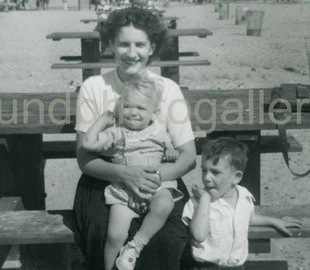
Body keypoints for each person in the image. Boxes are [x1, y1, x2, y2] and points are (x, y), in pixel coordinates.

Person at [73, 7, 196, 270]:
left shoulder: (168, 89)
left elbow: (188, 155)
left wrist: (150, 179)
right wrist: (126, 175)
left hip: (159, 177)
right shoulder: (95, 87)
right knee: (102, 231)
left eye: (140, 44)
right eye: (123, 44)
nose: (132, 53)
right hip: (104, 179)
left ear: (152, 47)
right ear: (110, 46)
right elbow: (84, 158)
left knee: (170, 236)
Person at [82, 78, 184, 270]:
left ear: (154, 113)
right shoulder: (117, 132)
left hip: (156, 186)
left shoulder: (160, 131)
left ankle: (135, 247)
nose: (133, 112)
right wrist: (101, 122)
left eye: (141, 108)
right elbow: (88, 144)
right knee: (114, 235)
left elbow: (172, 150)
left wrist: (171, 152)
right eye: (127, 106)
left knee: (165, 204)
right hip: (124, 190)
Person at [182, 137, 302, 270]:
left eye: (215, 172)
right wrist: (205, 199)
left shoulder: (244, 196)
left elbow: (247, 217)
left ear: (236, 177)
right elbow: (198, 235)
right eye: (204, 170)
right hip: (207, 266)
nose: (206, 178)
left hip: (237, 266)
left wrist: (274, 221)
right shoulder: (198, 202)